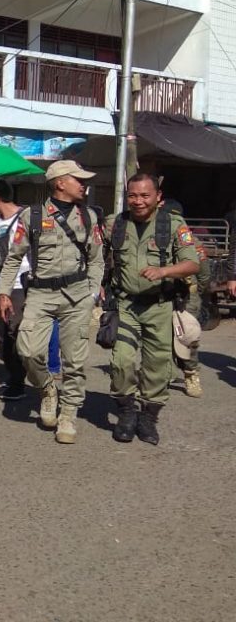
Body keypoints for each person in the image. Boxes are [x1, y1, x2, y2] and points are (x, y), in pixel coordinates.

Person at [0, 160, 104, 444]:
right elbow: (13, 258)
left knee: (74, 360)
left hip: (77, 294)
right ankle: (46, 390)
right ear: (60, 183)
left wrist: (92, 292)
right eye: (77, 179)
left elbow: (96, 259)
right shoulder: (31, 217)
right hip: (41, 295)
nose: (83, 184)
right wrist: (4, 292)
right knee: (28, 351)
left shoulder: (89, 216)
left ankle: (68, 413)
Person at [105, 173, 200, 445]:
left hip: (160, 305)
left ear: (158, 197)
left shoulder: (172, 225)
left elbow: (192, 263)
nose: (138, 201)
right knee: (122, 360)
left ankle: (148, 417)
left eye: (145, 195)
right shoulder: (116, 224)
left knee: (157, 365)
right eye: (133, 195)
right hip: (126, 304)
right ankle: (126, 412)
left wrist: (164, 271)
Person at [158, 198, 211, 398]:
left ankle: (191, 374)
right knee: (161, 337)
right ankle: (164, 374)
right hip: (163, 294)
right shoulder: (158, 239)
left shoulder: (190, 242)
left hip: (186, 297)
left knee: (186, 337)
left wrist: (196, 291)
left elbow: (204, 273)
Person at [0, 179, 28, 401]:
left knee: (15, 332)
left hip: (19, 286)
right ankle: (14, 374)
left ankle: (19, 381)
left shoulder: (25, 218)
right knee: (1, 335)